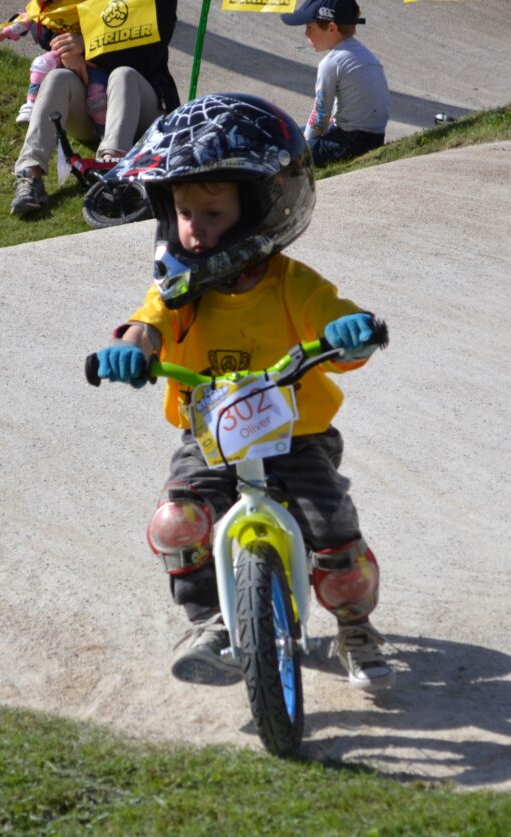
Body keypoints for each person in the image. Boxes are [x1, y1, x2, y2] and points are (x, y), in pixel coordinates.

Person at [91, 93, 394, 690]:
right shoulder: (180, 290)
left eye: (212, 213)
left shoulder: (294, 285)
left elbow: (334, 317)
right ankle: (209, 624)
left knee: (334, 530)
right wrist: (132, 348)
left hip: (296, 438)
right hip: (209, 440)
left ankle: (356, 629)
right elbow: (147, 324)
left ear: (263, 208)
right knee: (177, 522)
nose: (194, 231)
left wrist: (348, 331)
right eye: (182, 213)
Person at [9, 0, 180, 216]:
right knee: (57, 77)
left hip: (142, 111)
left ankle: (112, 173)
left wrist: (89, 46)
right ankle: (29, 175)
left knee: (123, 74)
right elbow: (47, 21)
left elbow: (148, 56)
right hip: (91, 111)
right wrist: (65, 49)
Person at [280, 0, 389, 166]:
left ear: (331, 28)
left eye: (310, 27)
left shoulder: (331, 63)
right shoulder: (363, 53)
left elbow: (320, 117)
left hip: (350, 142)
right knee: (292, 134)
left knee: (286, 150)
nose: (305, 33)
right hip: (375, 137)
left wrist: (305, 146)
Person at [0, 2, 108, 126]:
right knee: (41, 64)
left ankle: (103, 128)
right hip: (60, 52)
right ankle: (31, 104)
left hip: (93, 57)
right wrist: (5, 32)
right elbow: (28, 17)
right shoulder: (44, 6)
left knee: (97, 96)